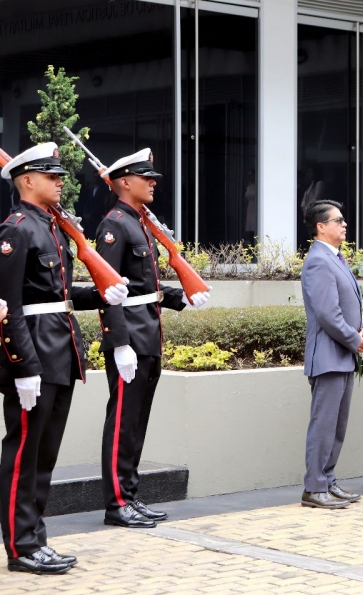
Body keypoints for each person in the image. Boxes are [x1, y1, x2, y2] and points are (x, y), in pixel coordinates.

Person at [0, 143, 129, 574]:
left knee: (45, 454)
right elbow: (9, 304)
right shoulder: (17, 230)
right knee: (24, 453)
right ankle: (20, 547)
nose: (61, 182)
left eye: (60, 175)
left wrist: (99, 293)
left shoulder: (52, 227)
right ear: (27, 181)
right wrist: (22, 366)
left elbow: (58, 294)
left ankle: (36, 538)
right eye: (51, 176)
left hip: (60, 350)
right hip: (34, 352)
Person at [94, 149, 210, 529]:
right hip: (130, 336)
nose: (154, 182)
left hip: (149, 331)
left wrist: (181, 297)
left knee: (137, 421)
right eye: (146, 178)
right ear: (124, 182)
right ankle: (116, 503)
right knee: (123, 422)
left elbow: (147, 287)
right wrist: (119, 342)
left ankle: (130, 494)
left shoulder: (140, 222)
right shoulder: (114, 225)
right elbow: (107, 288)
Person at [300, 200, 363, 509]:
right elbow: (328, 314)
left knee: (337, 426)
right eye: (337, 220)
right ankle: (314, 487)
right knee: (324, 424)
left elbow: (348, 304)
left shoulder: (335, 258)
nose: (344, 225)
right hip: (329, 355)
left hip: (342, 354)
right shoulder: (318, 260)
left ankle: (327, 480)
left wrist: (360, 331)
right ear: (320, 227)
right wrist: (355, 339)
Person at [244, 169, 257, 242]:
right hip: (250, 208)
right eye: (249, 176)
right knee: (250, 228)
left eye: (251, 175)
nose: (250, 177)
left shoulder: (257, 185)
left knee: (255, 227)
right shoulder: (249, 185)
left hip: (256, 208)